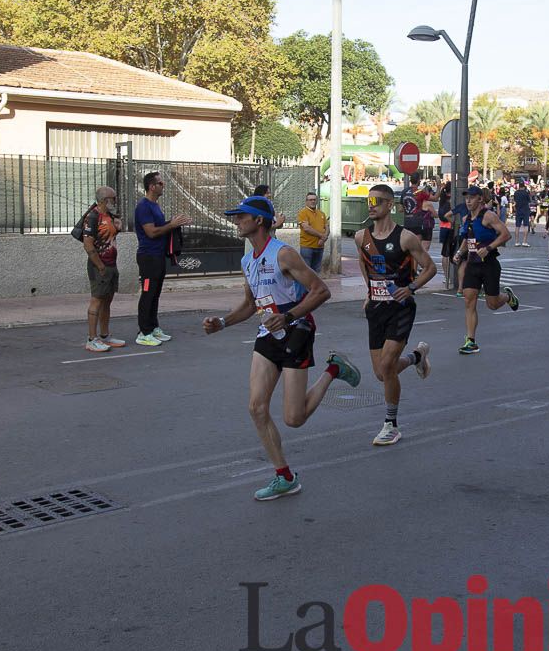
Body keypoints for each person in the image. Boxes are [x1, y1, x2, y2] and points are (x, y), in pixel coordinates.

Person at [202, 196, 361, 501]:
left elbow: (321, 290)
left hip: (296, 329)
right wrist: (221, 323)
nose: (236, 221)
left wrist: (288, 316)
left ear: (258, 220)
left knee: (294, 418)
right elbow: (250, 305)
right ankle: (284, 476)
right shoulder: (247, 260)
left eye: (241, 217)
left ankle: (333, 369)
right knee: (256, 407)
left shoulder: (284, 255)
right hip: (268, 332)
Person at [356, 184, 437, 446]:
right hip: (376, 309)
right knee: (381, 372)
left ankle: (391, 424)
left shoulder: (406, 238)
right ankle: (416, 357)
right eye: (369, 200)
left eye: (377, 201)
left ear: (390, 205)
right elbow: (364, 262)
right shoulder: (361, 237)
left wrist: (411, 287)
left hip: (401, 309)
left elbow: (430, 268)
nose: (371, 205)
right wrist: (369, 291)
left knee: (387, 366)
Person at [451, 186, 519, 354]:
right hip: (472, 265)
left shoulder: (489, 216)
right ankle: (471, 341)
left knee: (492, 304)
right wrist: (459, 253)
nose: (468, 201)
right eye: (466, 198)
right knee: (469, 301)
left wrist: (489, 248)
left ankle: (508, 297)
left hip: (489, 264)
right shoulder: (467, 218)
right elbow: (468, 239)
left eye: (472, 197)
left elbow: (505, 234)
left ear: (480, 199)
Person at [134, 172, 192, 346]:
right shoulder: (143, 207)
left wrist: (174, 223)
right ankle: (143, 332)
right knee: (147, 293)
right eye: (160, 183)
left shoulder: (155, 206)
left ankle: (153, 328)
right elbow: (151, 232)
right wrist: (171, 225)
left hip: (158, 256)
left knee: (155, 294)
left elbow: (160, 227)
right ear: (152, 186)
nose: (163, 185)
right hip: (148, 257)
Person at [82, 186, 126, 352]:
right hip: (99, 266)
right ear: (104, 200)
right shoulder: (93, 217)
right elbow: (88, 244)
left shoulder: (109, 216)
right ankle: (92, 339)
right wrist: (99, 265)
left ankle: (105, 335)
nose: (115, 202)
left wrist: (118, 228)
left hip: (111, 264)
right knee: (97, 300)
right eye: (113, 199)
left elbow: (108, 237)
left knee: (107, 299)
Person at [296, 192, 329, 272]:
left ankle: (314, 285)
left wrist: (323, 239)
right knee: (306, 271)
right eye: (310, 200)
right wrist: (321, 236)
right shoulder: (302, 213)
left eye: (314, 200)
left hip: (320, 246)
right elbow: (306, 228)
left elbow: (327, 227)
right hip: (307, 247)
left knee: (316, 270)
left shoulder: (322, 214)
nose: (313, 201)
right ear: (306, 201)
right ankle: (306, 285)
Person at [512, 182, 532, 246]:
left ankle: (516, 241)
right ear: (523, 187)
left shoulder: (516, 193)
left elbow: (514, 200)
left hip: (518, 210)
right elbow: (529, 201)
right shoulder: (526, 193)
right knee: (526, 225)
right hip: (525, 210)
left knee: (517, 226)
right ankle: (524, 241)